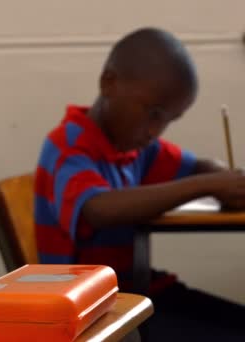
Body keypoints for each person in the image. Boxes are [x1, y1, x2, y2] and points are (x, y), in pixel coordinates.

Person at [34, 27, 245, 341]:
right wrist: (207, 184)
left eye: (169, 120)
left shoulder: (134, 149)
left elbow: (196, 166)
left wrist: (224, 178)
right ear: (109, 83)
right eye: (154, 113)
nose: (155, 132)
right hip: (93, 309)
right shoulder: (68, 146)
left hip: (137, 290)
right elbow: (98, 208)